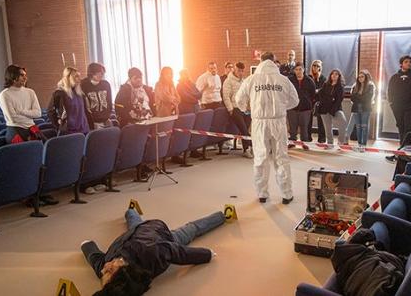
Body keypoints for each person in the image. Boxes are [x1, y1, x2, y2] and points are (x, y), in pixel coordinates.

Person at [81, 207, 225, 296]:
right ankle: (221, 216)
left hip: (135, 233)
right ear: (126, 270)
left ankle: (130, 210)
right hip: (159, 234)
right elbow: (178, 252)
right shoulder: (154, 253)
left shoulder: (104, 267)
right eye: (110, 271)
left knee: (134, 220)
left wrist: (86, 245)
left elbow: (94, 257)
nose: (106, 268)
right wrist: (207, 254)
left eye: (104, 273)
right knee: (191, 230)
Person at [235, 51, 299, 204]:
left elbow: (239, 99)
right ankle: (286, 194)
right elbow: (295, 101)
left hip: (259, 123)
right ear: (273, 60)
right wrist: (282, 107)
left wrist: (246, 109)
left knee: (261, 157)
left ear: (260, 61)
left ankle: (262, 193)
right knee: (281, 157)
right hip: (278, 122)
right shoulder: (283, 80)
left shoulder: (251, 79)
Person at [386, 55, 411, 162]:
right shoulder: (394, 77)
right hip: (397, 107)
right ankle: (401, 152)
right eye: (406, 62)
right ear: (401, 64)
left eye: (410, 62)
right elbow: (389, 91)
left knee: (409, 129)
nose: (409, 63)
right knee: (401, 129)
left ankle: (404, 153)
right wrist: (392, 103)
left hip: (410, 107)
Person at [0, 64, 42, 143]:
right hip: (15, 129)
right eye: (22, 75)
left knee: (46, 151)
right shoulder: (5, 95)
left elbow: (38, 114)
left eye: (25, 75)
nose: (25, 78)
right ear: (13, 77)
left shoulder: (30, 92)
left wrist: (20, 111)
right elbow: (13, 119)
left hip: (32, 128)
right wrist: (29, 115)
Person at [223, 62, 253, 158]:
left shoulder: (244, 81)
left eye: (242, 71)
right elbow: (226, 96)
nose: (240, 72)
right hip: (235, 108)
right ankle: (248, 148)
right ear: (235, 70)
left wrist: (249, 105)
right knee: (244, 129)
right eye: (238, 70)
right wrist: (230, 109)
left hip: (245, 108)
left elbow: (247, 95)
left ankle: (248, 146)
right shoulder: (228, 81)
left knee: (246, 129)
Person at [48, 67, 90, 134]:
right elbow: (50, 111)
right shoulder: (59, 93)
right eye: (76, 76)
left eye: (79, 76)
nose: (79, 79)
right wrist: (58, 125)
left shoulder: (80, 93)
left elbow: (85, 111)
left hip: (84, 129)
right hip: (69, 131)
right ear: (68, 77)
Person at [345, 70, 375, 148]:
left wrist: (358, 97)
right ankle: (359, 144)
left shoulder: (370, 86)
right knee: (358, 127)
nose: (360, 78)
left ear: (366, 77)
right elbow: (352, 98)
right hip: (356, 108)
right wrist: (360, 97)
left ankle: (363, 144)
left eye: (362, 77)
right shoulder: (355, 86)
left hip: (366, 108)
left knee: (364, 126)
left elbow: (368, 98)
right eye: (359, 77)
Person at [287, 62, 316, 145]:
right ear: (294, 71)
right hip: (292, 108)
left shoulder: (309, 81)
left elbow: (313, 94)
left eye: (300, 69)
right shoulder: (290, 80)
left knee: (304, 130)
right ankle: (292, 143)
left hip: (305, 109)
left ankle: (305, 144)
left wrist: (308, 103)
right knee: (292, 129)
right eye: (296, 69)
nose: (298, 71)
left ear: (303, 70)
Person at [317, 69, 348, 146]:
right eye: (332, 74)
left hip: (336, 109)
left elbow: (339, 100)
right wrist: (330, 99)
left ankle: (341, 141)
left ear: (339, 76)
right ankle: (330, 143)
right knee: (328, 127)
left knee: (343, 122)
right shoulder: (325, 84)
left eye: (336, 74)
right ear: (330, 75)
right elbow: (321, 95)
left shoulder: (340, 87)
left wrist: (332, 110)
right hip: (324, 109)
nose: (334, 75)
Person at [80, 63, 113, 129]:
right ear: (92, 73)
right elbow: (83, 106)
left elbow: (109, 101)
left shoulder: (106, 84)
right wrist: (90, 121)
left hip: (106, 119)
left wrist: (107, 114)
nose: (102, 74)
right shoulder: (83, 85)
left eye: (103, 72)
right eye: (99, 72)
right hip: (93, 122)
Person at [309, 60, 327, 143]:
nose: (316, 67)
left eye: (318, 66)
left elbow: (323, 90)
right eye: (314, 65)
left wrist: (317, 91)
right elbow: (308, 89)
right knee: (308, 121)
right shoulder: (309, 77)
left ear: (320, 68)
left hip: (320, 102)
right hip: (310, 101)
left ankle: (322, 139)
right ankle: (307, 138)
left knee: (321, 121)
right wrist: (315, 91)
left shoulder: (323, 78)